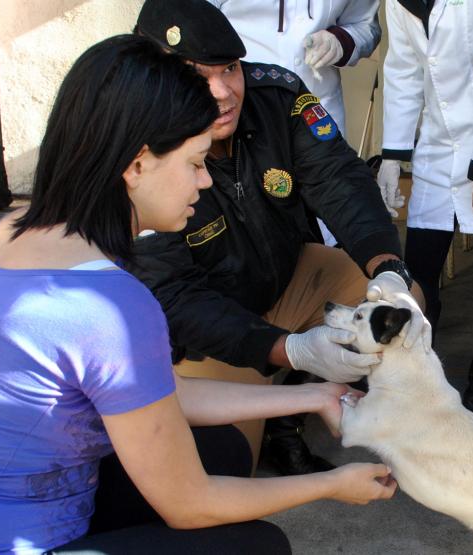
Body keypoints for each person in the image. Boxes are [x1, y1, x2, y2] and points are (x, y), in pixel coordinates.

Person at [0, 35, 397, 555]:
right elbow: (189, 504)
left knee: (222, 450)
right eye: (195, 163)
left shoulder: (12, 233)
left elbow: (157, 395)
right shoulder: (109, 308)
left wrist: (312, 392)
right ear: (138, 164)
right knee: (255, 546)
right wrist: (332, 485)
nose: (201, 182)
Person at [130, 0, 429, 477]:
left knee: (400, 300)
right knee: (223, 469)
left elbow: (340, 180)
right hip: (211, 330)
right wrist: (288, 349)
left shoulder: (276, 96)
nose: (224, 92)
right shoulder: (136, 144)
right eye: (199, 75)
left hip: (287, 279)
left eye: (230, 68)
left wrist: (388, 267)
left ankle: (298, 421)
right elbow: (172, 296)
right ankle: (275, 403)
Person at [377, 0, 473, 427]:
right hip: (437, 147)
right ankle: (415, 388)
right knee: (420, 272)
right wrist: (393, 154)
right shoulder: (397, 2)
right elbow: (404, 70)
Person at [206, 0, 382, 248]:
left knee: (334, 211)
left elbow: (368, 27)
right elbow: (191, 25)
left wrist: (341, 41)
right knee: (256, 232)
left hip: (316, 104)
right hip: (246, 109)